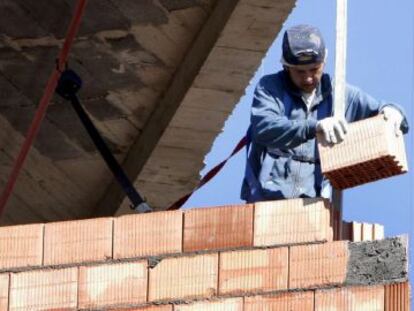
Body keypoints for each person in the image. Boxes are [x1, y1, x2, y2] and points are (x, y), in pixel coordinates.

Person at [241, 24, 409, 203]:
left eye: (314, 69)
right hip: (268, 201)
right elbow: (265, 127)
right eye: (300, 71)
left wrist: (394, 113)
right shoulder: (271, 88)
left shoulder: (341, 97)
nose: (307, 78)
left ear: (324, 61)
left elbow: (388, 112)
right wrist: (315, 127)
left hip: (314, 205)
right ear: (286, 66)